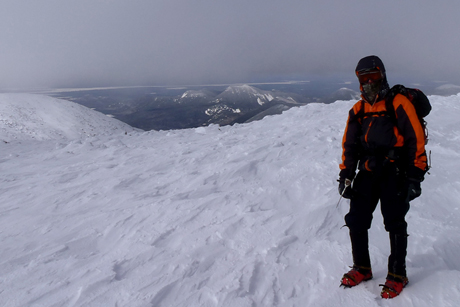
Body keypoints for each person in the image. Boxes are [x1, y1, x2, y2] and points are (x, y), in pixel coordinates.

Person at [338, 55, 428, 298]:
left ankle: (398, 274)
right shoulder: (358, 110)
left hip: (394, 172)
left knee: (395, 221)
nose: (368, 83)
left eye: (373, 77)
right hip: (367, 171)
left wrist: (415, 176)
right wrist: (345, 175)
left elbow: (415, 140)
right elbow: (350, 145)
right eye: (363, 78)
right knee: (356, 218)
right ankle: (362, 268)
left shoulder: (397, 103)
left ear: (382, 75)